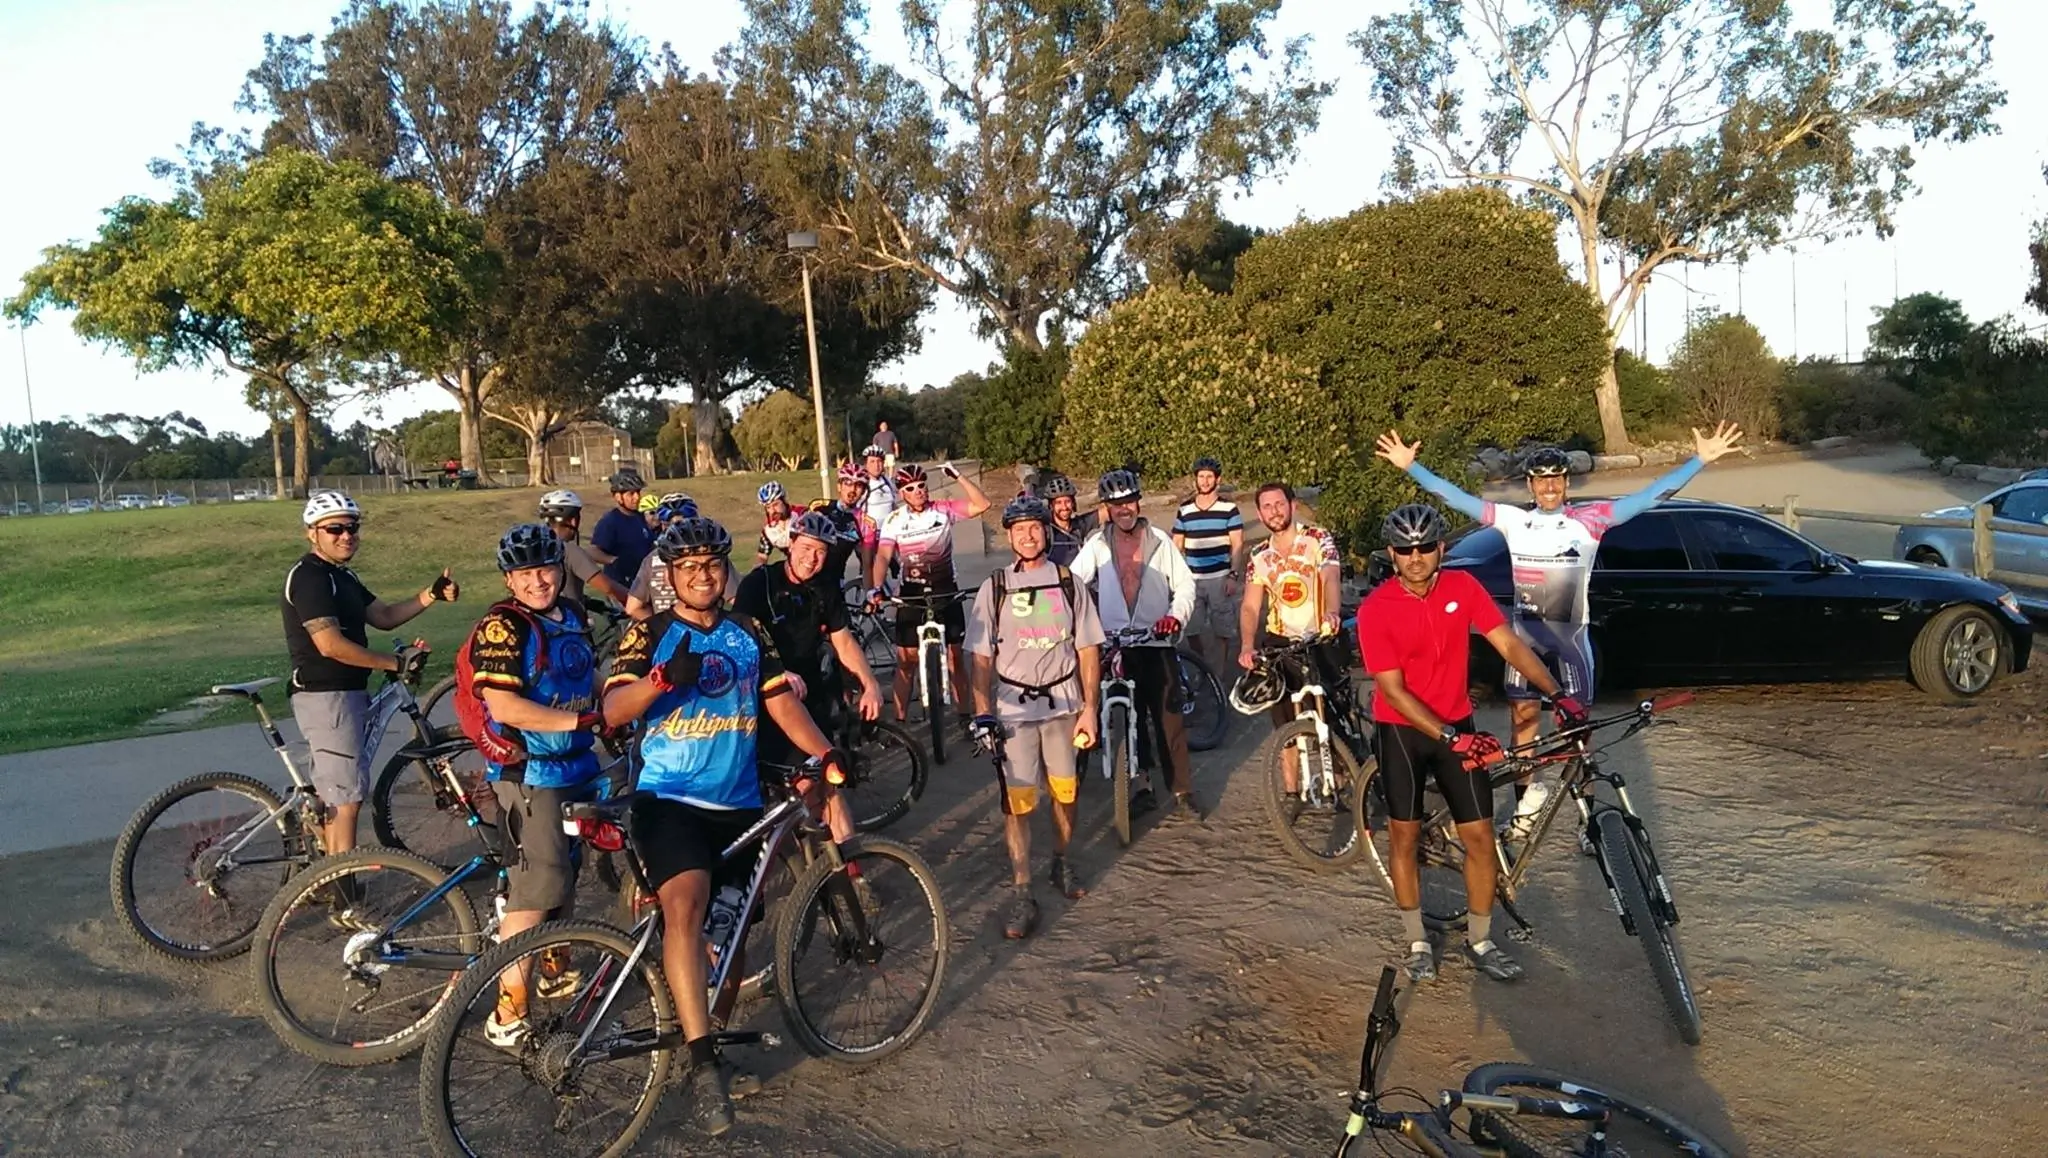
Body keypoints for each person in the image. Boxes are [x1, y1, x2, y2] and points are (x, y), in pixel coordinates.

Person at [601, 516, 851, 1138]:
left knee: (733, 934)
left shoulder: (747, 631)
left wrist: (824, 752)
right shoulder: (650, 633)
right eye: (689, 567)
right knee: (686, 906)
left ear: (724, 570)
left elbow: (779, 701)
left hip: (737, 804)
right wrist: (660, 680)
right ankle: (703, 1064)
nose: (702, 576)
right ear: (671, 575)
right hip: (669, 798)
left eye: (712, 565)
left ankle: (707, 1037)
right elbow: (613, 709)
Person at [1375, 422, 1743, 835]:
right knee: (1523, 722)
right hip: (1526, 644)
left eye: (1556, 479)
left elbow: (1650, 497)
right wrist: (1411, 467)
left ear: (1566, 482)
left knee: (1577, 734)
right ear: (1530, 485)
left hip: (1572, 644)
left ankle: (1589, 821)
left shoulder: (1593, 519)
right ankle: (1523, 813)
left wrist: (1699, 460)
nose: (1549, 487)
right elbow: (1456, 498)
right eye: (1541, 480)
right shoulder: (1513, 521)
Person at [1359, 504, 1582, 985]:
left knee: (1479, 837)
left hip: (1457, 723)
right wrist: (1451, 736)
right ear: (1392, 554)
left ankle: (1480, 940)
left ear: (1441, 548)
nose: (1416, 557)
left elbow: (1509, 644)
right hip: (1403, 730)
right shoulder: (1376, 608)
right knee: (1405, 836)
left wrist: (1557, 694)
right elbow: (1392, 691)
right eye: (1405, 549)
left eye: (1425, 547)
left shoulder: (1463, 587)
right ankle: (1417, 940)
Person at [464, 524, 608, 1047]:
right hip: (532, 773)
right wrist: (580, 722)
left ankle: (553, 968)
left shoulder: (570, 615)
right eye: (523, 573)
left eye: (545, 568)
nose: (537, 581)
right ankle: (508, 1012)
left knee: (565, 873)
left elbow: (587, 677)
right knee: (536, 887)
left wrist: (619, 700)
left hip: (576, 766)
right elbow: (503, 706)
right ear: (509, 579)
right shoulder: (503, 626)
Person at [282, 490, 455, 858]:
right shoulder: (310, 578)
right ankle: (342, 886)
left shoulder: (342, 576)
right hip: (326, 696)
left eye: (353, 528)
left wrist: (431, 594)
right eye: (335, 529)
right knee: (346, 801)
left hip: (347, 693)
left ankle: (327, 871)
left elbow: (384, 616)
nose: (346, 536)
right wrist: (394, 663)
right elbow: (330, 644)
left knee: (342, 794)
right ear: (312, 532)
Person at [965, 496, 1103, 939]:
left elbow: (1088, 649)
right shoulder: (995, 587)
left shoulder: (1068, 582)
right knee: (1017, 802)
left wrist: (1091, 709)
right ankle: (1023, 889)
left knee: (1066, 792)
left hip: (1063, 706)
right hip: (1013, 711)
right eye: (1019, 529)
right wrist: (982, 711)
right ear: (1008, 536)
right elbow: (981, 657)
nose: (1028, 535)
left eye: (1035, 527)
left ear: (1046, 532)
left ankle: (1061, 860)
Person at [1069, 468, 1203, 819]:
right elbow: (1072, 584)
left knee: (1169, 719)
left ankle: (1182, 790)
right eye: (1116, 504)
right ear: (1107, 508)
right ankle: (1140, 785)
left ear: (1138, 502)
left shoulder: (1160, 540)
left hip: (1154, 640)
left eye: (1128, 501)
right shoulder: (1096, 545)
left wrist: (1175, 616)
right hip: (1115, 644)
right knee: (1129, 717)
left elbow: (1185, 585)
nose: (1124, 509)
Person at [733, 510, 887, 782]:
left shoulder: (825, 587)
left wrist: (870, 684)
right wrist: (776, 672)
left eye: (821, 551)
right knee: (775, 779)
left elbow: (843, 640)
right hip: (764, 691)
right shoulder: (758, 584)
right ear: (790, 544)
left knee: (822, 777)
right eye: (805, 547)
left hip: (810, 690)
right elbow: (738, 640)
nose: (812, 558)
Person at [1234, 481, 1351, 808]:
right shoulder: (1259, 555)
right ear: (1259, 514)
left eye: (1279, 504)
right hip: (1280, 641)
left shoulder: (1317, 538)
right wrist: (1247, 645)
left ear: (1292, 505)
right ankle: (1290, 792)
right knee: (1283, 718)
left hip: (1319, 634)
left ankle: (1341, 781)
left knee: (1332, 711)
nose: (1274, 511)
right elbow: (1250, 606)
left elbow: (1330, 576)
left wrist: (1332, 612)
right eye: (1267, 507)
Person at [870, 462, 991, 729]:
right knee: (906, 662)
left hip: (945, 589)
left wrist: (958, 476)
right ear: (901, 493)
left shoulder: (942, 510)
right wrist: (876, 588)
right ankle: (900, 724)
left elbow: (982, 505)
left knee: (956, 658)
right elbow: (883, 556)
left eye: (922, 486)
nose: (918, 491)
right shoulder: (894, 520)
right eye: (911, 488)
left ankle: (964, 717)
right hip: (911, 593)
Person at [1170, 456, 1245, 676]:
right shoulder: (1184, 510)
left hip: (1220, 577)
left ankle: (1218, 674)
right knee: (1191, 628)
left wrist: (1233, 575)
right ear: (1195, 479)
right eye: (1201, 476)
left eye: (1209, 477)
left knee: (1223, 629)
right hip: (1192, 578)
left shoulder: (1229, 508)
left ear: (1217, 480)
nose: (1204, 481)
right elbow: (1177, 545)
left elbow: (1238, 544)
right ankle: (1202, 667)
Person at [537, 489, 627, 608]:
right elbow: (608, 587)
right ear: (573, 521)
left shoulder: (537, 548)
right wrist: (637, 600)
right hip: (568, 617)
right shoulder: (569, 551)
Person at [626, 493, 701, 621]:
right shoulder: (711, 556)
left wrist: (661, 626)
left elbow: (632, 608)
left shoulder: (652, 559)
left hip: (667, 629)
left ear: (664, 526)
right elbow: (734, 599)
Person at [588, 468, 653, 593]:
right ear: (618, 497)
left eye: (638, 492)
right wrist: (614, 561)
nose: (637, 497)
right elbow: (593, 551)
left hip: (642, 582)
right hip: (621, 586)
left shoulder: (640, 518)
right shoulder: (610, 522)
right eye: (631, 494)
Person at [823, 460, 881, 589]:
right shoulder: (820, 508)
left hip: (833, 583)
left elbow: (867, 566)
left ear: (864, 491)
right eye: (847, 483)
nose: (852, 490)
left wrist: (870, 593)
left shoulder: (866, 524)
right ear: (839, 486)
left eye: (858, 485)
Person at [1038, 474, 1097, 568]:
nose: (1064, 507)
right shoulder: (1046, 531)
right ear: (1051, 506)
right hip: (1055, 576)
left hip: (1079, 576)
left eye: (1067, 501)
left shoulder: (1079, 525)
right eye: (1058, 503)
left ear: (1073, 503)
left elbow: (1105, 513)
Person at [754, 481, 795, 569]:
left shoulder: (801, 516)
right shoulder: (768, 531)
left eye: (775, 504)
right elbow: (762, 557)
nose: (773, 511)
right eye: (768, 507)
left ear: (784, 501)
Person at [859, 445, 898, 525]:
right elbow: (855, 512)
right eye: (872, 461)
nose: (876, 465)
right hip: (871, 530)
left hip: (890, 529)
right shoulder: (862, 484)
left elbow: (893, 505)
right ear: (866, 464)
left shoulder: (887, 481)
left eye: (879, 461)